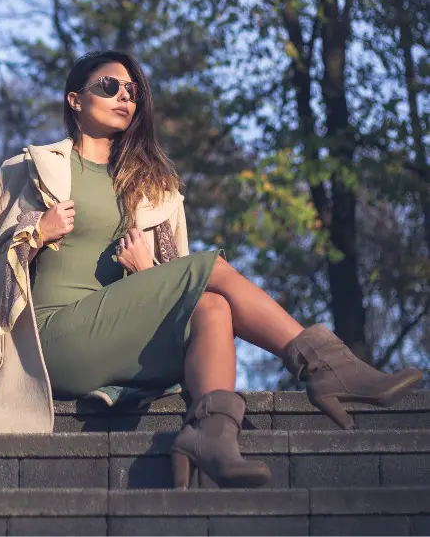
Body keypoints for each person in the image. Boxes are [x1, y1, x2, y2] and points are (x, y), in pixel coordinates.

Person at [22, 49, 423, 489]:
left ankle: (210, 435)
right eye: (110, 86)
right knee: (210, 268)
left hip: (116, 340)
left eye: (133, 91)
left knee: (212, 306)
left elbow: (174, 286)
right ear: (75, 100)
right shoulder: (37, 169)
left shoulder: (153, 189)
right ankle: (325, 366)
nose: (125, 97)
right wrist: (37, 232)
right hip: (51, 340)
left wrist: (148, 271)